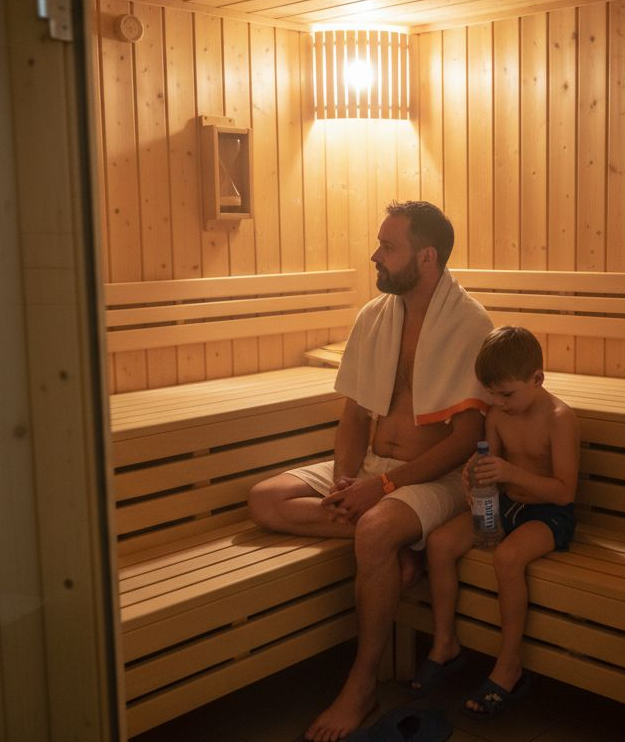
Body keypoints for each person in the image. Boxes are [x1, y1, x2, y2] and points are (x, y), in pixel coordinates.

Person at [247, 201, 494, 742]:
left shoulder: (470, 324)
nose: (374, 256)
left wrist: (379, 488)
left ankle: (361, 685)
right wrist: (345, 481)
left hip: (436, 479)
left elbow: (465, 441)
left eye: (388, 247)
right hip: (371, 471)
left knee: (376, 526)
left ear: (425, 256)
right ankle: (398, 552)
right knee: (266, 499)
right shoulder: (374, 317)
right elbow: (355, 414)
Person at [410, 326, 580, 718]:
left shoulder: (559, 418)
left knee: (507, 558)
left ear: (537, 379)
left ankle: (509, 667)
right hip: (506, 505)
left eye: (507, 394)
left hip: (547, 514)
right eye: (492, 394)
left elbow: (564, 493)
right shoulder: (499, 415)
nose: (498, 403)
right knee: (439, 544)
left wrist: (506, 473)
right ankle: (445, 643)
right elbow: (490, 460)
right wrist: (476, 474)